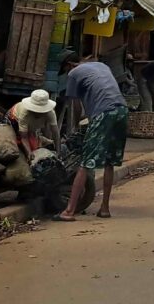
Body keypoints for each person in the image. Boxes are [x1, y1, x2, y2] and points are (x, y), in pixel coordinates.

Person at [55, 54, 128, 221]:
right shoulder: (102, 66)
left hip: (103, 113)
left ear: (69, 65)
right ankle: (104, 208)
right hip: (122, 110)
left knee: (86, 162)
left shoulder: (74, 74)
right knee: (109, 162)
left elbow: (75, 105)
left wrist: (74, 128)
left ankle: (69, 211)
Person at [8, 89, 61, 161]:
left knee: (34, 144)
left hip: (31, 125)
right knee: (20, 145)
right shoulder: (24, 114)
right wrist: (29, 153)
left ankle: (42, 140)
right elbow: (24, 137)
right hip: (14, 119)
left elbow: (56, 133)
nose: (38, 113)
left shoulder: (50, 113)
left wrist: (58, 152)